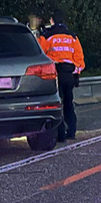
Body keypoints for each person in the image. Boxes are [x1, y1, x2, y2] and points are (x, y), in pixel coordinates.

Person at [38, 10, 85, 142]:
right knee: (68, 102)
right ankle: (71, 131)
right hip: (69, 74)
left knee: (56, 103)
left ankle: (60, 134)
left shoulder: (46, 35)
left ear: (52, 20)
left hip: (55, 74)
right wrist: (76, 72)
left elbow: (40, 55)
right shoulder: (72, 37)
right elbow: (80, 60)